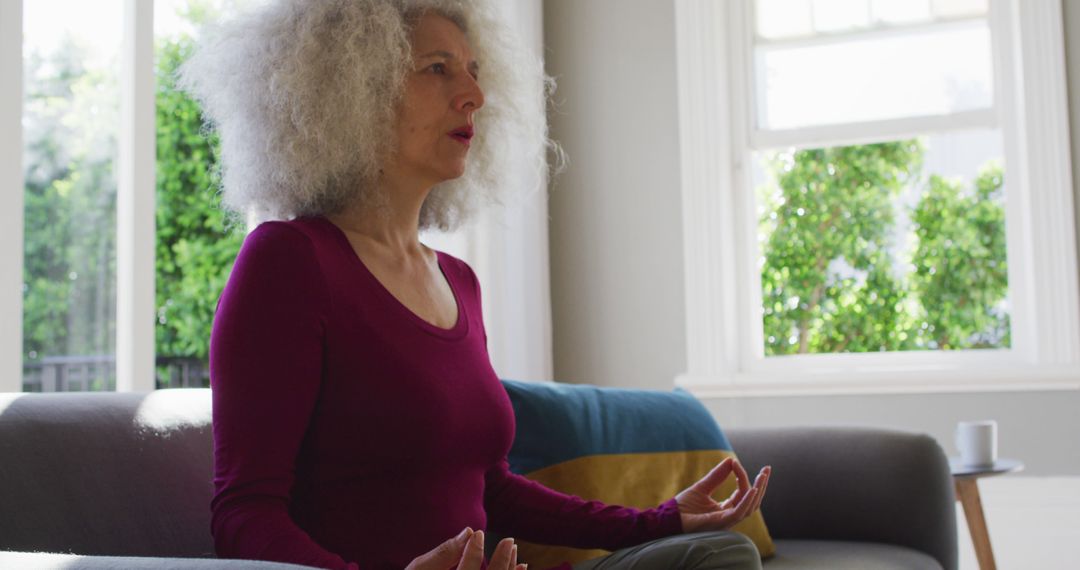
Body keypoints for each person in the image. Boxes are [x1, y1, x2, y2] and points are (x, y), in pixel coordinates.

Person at [180, 1, 772, 569]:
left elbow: (493, 493)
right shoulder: (289, 261)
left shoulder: (458, 281)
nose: (475, 96)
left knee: (716, 554)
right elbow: (243, 515)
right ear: (353, 89)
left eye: (474, 72)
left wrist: (660, 522)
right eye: (437, 70)